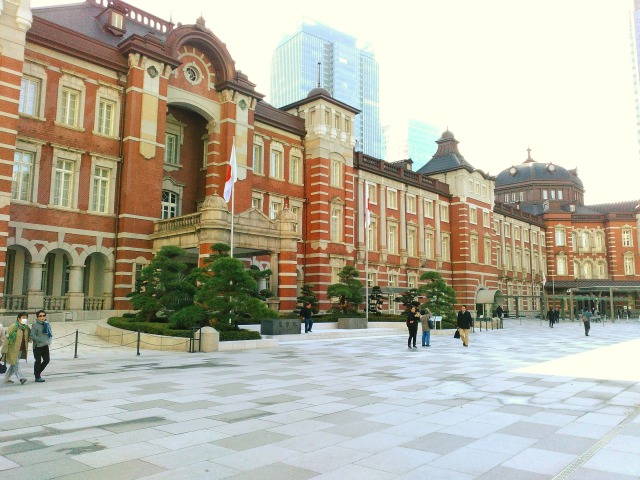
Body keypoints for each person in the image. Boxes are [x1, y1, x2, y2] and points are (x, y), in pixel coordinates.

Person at [1, 312, 30, 384]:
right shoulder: (13, 327)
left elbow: (27, 337)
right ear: (18, 319)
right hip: (12, 349)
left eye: (26, 318)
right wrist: (4, 349)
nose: (25, 319)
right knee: (15, 363)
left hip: (21, 349)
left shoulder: (26, 328)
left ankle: (6, 378)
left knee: (14, 364)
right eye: (23, 318)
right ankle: (21, 378)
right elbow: (7, 338)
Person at [31, 309, 53, 382]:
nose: (42, 317)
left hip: (45, 345)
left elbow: (50, 332)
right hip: (37, 346)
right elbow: (32, 336)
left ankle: (37, 373)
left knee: (47, 360)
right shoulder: (35, 325)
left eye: (44, 315)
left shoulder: (47, 324)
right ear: (37, 317)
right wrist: (41, 340)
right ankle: (37, 376)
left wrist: (48, 341)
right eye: (40, 316)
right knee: (38, 361)